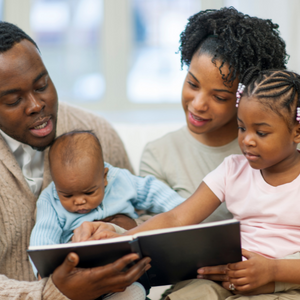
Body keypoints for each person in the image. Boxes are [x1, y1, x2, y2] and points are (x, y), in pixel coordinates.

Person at [75, 68, 300, 299]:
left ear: (297, 132)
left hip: (286, 280)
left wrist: (272, 271)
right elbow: (176, 218)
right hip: (225, 276)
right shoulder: (232, 169)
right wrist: (123, 240)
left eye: (261, 132)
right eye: (242, 128)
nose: (247, 140)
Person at [0, 21, 150, 300]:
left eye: (42, 85)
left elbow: (145, 212)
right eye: (13, 100)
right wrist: (53, 293)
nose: (36, 105)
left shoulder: (96, 131)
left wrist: (124, 226)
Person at [139, 7, 288, 223]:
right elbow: (152, 232)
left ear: (245, 96)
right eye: (192, 84)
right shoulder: (159, 154)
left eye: (219, 97)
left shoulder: (273, 151)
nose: (198, 105)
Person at [29, 130, 184, 267]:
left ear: (104, 177)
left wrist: (181, 208)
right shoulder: (50, 200)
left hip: (126, 253)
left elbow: (152, 190)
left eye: (89, 192)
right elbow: (43, 237)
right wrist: (44, 270)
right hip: (82, 262)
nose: (79, 201)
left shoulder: (120, 180)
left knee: (136, 286)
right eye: (67, 195)